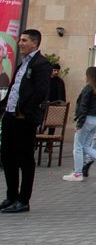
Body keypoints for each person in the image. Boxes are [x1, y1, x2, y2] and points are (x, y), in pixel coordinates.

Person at [1, 29, 52, 214]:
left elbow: (41, 91)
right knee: (7, 156)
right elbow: (15, 89)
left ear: (35, 43)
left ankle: (23, 200)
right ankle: (11, 196)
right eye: (20, 40)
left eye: (24, 40)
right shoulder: (23, 62)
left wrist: (25, 111)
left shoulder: (41, 63)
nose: (20, 43)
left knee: (25, 159)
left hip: (24, 118)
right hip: (10, 115)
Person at [64, 66, 96, 181]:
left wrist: (79, 123)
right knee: (85, 145)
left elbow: (83, 107)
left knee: (78, 147)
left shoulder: (88, 89)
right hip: (95, 119)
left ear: (88, 76)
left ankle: (78, 173)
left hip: (86, 119)